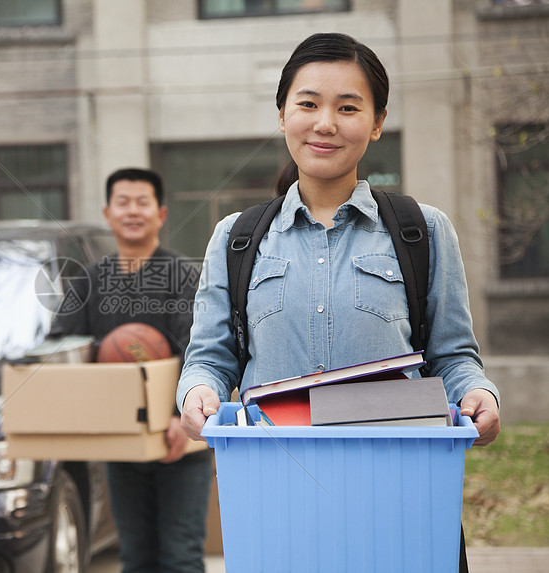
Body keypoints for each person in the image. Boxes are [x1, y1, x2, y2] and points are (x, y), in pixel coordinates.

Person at [177, 32, 501, 572]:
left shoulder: (422, 231)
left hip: (398, 496)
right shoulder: (235, 239)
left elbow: (453, 356)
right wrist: (198, 393)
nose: (325, 123)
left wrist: (479, 394)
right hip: (274, 497)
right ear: (282, 115)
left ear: (376, 123)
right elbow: (210, 357)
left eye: (348, 107)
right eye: (308, 104)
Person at [52, 167, 213, 573]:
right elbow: (61, 348)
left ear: (160, 214)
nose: (132, 211)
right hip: (122, 442)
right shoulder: (89, 282)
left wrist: (181, 417)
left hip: (180, 440)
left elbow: (200, 350)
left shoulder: (181, 276)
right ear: (108, 214)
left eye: (142, 203)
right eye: (123, 203)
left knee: (180, 556)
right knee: (136, 558)